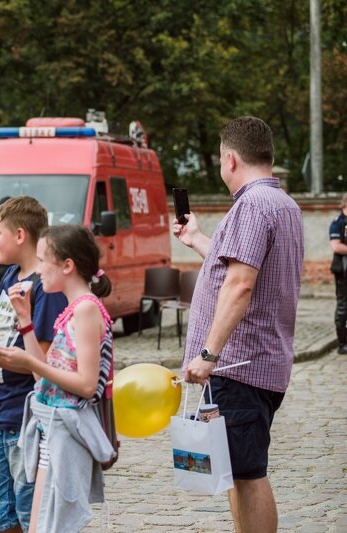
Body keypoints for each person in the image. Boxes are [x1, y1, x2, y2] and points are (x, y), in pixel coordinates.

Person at [173, 116, 304, 533]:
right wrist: (197, 239)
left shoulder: (250, 205)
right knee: (237, 469)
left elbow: (241, 285)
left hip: (238, 366)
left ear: (230, 159)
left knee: (248, 475)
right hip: (259, 364)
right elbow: (239, 266)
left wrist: (208, 353)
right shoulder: (283, 204)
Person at [0, 225, 116, 533]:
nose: (37, 271)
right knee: (41, 526)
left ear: (67, 265)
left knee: (53, 526)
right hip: (53, 430)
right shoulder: (72, 309)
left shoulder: (87, 309)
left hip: (68, 430)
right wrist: (25, 323)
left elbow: (87, 385)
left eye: (42, 261)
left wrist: (26, 360)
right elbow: (42, 375)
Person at [0, 196, 67, 533]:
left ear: (20, 235)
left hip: (26, 417)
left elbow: (40, 363)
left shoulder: (46, 286)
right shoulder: (9, 275)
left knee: (29, 511)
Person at [329, 193, 347, 354]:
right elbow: (336, 246)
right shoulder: (338, 223)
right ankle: (343, 344)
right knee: (343, 306)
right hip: (343, 270)